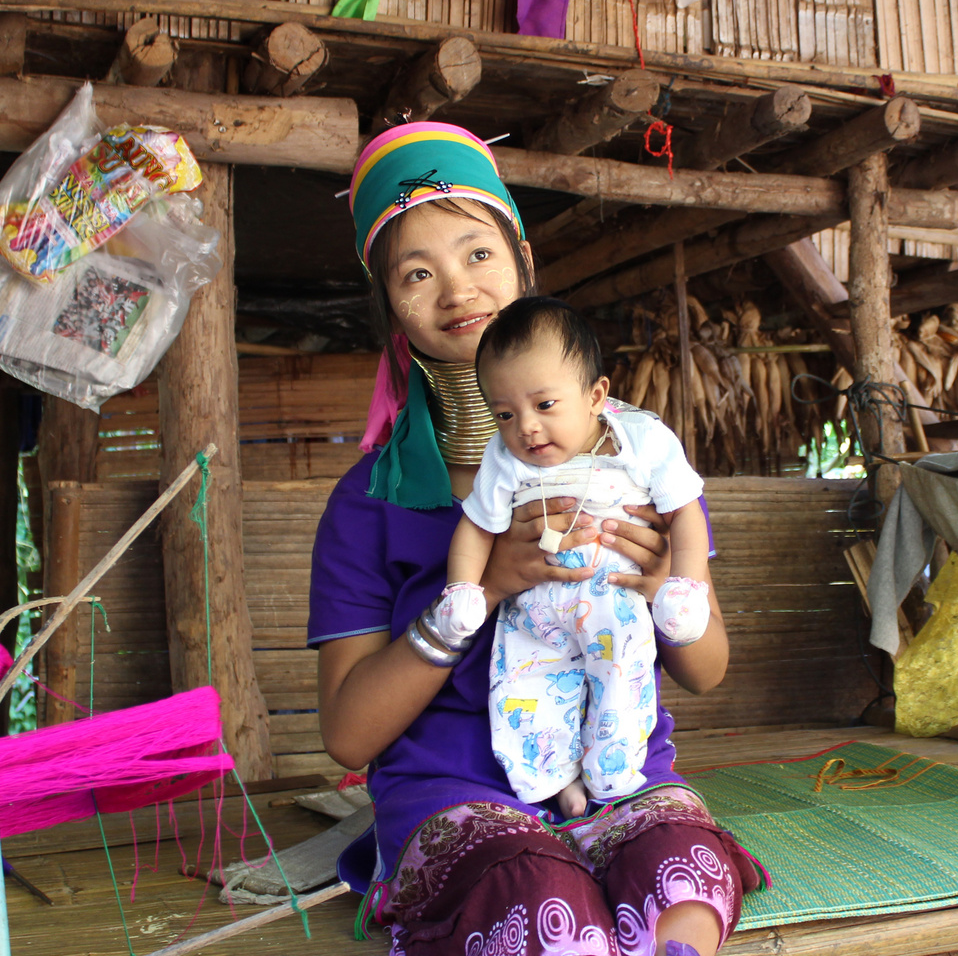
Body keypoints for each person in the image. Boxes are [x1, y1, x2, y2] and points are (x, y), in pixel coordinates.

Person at [308, 122, 764, 956]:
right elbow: (348, 737)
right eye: (417, 273)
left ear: (521, 259)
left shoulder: (632, 459)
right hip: (455, 800)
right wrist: (481, 595)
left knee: (687, 876)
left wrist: (665, 584)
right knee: (540, 903)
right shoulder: (366, 502)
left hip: (622, 778)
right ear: (390, 309)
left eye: (478, 254)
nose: (457, 290)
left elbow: (705, 671)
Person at [433, 296, 713, 820]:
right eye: (505, 414)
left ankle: (611, 776)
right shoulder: (503, 457)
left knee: (620, 685)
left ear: (595, 395)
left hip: (619, 603)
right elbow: (475, 527)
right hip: (535, 614)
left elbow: (685, 513)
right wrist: (463, 590)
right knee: (523, 689)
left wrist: (686, 585)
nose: (526, 428)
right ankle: (553, 781)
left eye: (544, 406)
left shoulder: (642, 438)